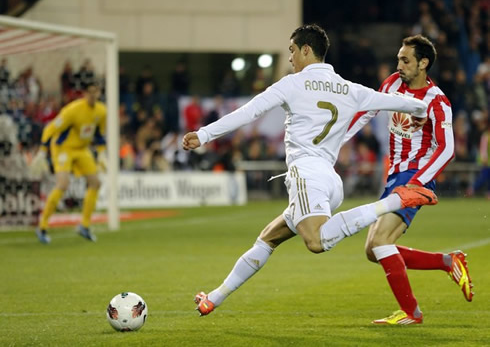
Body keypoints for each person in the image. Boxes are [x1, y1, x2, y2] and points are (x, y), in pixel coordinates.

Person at [182, 24, 438, 319]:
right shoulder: (350, 88)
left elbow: (248, 112)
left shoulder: (292, 84)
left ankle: (394, 201)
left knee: (316, 242)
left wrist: (203, 135)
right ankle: (213, 298)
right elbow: (403, 103)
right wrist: (421, 110)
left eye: (292, 50)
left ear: (306, 50)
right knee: (268, 237)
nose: (290, 58)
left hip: (306, 174)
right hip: (330, 182)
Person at [343, 35, 473, 325]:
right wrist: (337, 141)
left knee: (379, 242)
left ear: (423, 63)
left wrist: (418, 181)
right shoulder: (391, 83)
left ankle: (411, 313)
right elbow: (369, 110)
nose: (398, 64)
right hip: (394, 176)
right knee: (372, 251)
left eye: (405, 60)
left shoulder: (437, 102)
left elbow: (446, 148)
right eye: (398, 59)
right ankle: (447, 261)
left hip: (413, 177)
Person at [30, 82, 107, 244]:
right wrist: (43, 151)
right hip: (63, 148)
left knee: (95, 183)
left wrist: (102, 154)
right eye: (90, 92)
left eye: (96, 92)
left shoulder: (101, 111)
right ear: (84, 94)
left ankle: (84, 226)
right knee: (63, 184)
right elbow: (50, 129)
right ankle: (42, 226)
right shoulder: (72, 111)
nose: (93, 96)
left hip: (82, 149)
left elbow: (99, 135)